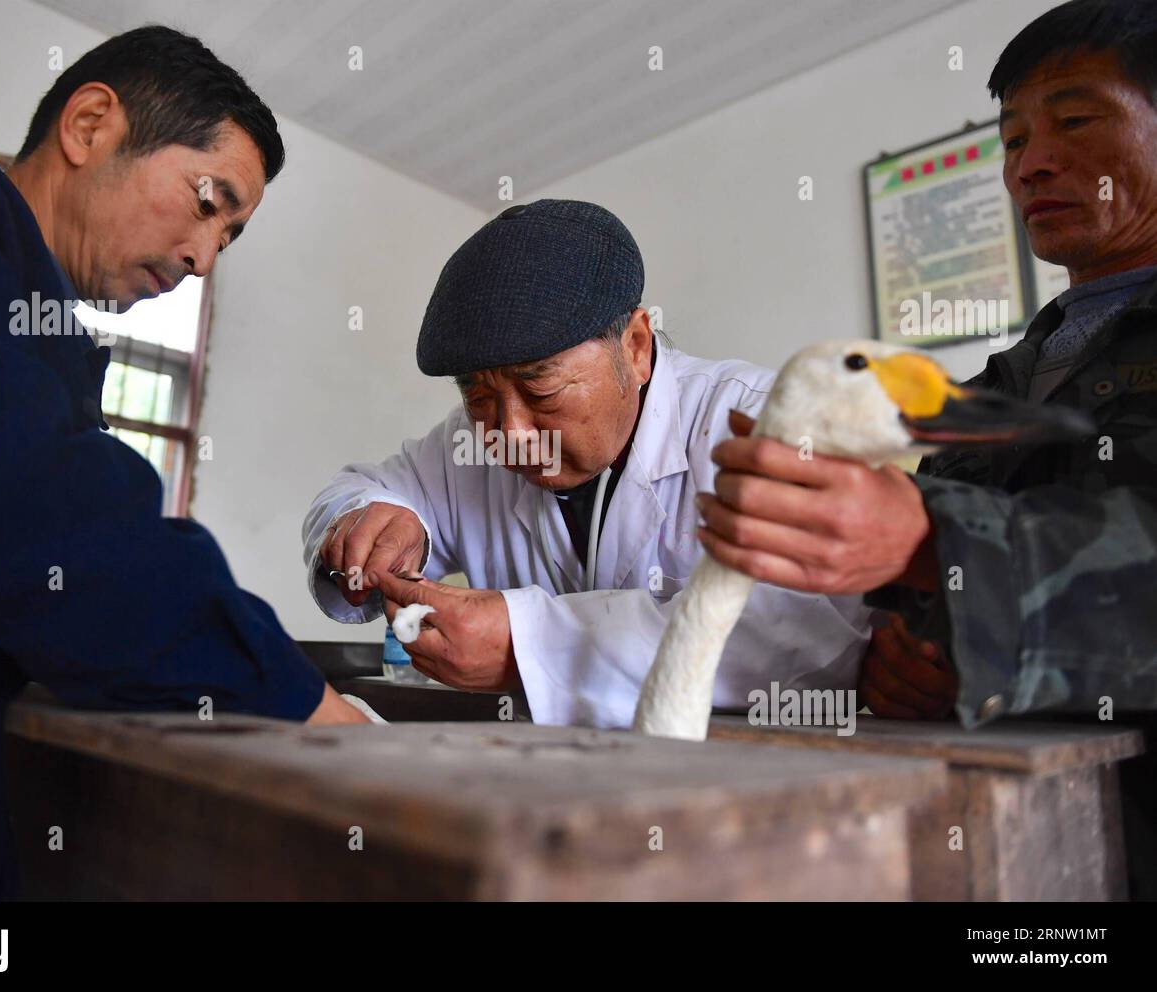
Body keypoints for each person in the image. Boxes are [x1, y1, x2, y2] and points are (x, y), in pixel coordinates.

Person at [0, 26, 368, 901]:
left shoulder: (47, 350)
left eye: (231, 238)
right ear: (90, 123)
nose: (204, 258)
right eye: (210, 203)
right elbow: (36, 507)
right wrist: (305, 704)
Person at [698, 0, 1157, 729]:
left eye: (1074, 122)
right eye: (1012, 141)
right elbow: (909, 626)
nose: (1031, 164)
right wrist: (899, 652)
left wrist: (928, 539)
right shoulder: (985, 395)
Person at [302, 199, 870, 728]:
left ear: (637, 347)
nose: (510, 433)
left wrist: (530, 646)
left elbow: (812, 627)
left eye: (541, 389)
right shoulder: (467, 442)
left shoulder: (756, 420)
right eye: (477, 395)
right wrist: (373, 519)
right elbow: (363, 487)